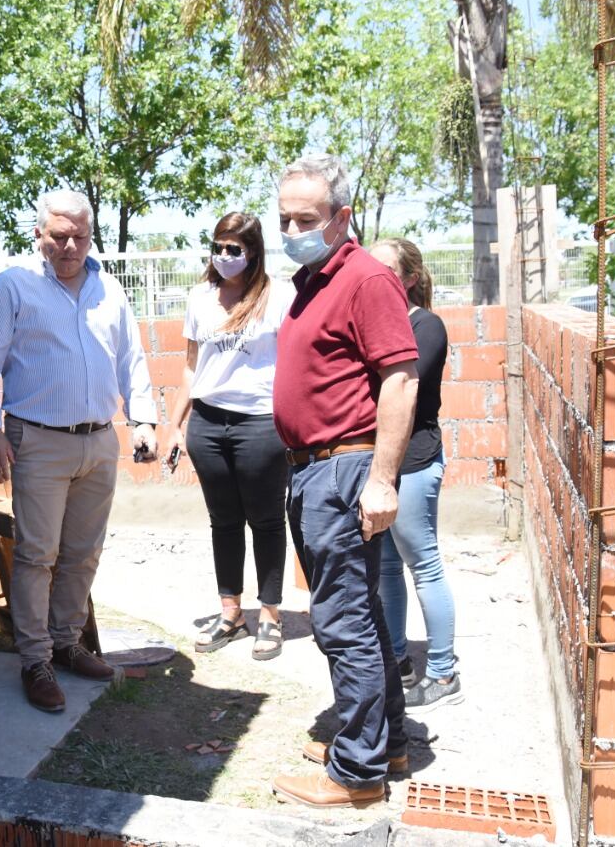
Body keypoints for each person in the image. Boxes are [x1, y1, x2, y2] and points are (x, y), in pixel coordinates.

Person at [0, 190, 159, 713]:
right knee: (37, 554)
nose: (71, 245)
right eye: (59, 235)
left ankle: (68, 642)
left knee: (83, 552)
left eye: (80, 235)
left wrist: (142, 419)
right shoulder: (13, 287)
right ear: (39, 234)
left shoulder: (109, 289)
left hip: (99, 440)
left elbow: (132, 360)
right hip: (38, 440)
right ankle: (35, 659)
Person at [268, 154, 416, 809]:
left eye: (307, 218)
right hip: (316, 470)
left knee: (343, 619)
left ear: (343, 218)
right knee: (361, 614)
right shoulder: (313, 279)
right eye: (285, 218)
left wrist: (382, 479)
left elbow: (401, 378)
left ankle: (357, 775)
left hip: (344, 470)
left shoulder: (365, 278)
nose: (292, 228)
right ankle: (386, 742)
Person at [164, 212, 291, 661]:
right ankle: (231, 612)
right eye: (218, 248)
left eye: (233, 249)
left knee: (267, 520)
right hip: (208, 424)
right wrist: (175, 424)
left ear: (252, 251)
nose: (224, 257)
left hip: (260, 423)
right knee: (223, 521)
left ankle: (271, 614)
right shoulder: (200, 298)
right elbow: (190, 365)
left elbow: (294, 362)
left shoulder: (279, 296)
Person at [368, 238, 461, 712]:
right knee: (385, 566)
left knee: (422, 564)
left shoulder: (427, 325)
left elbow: (400, 383)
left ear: (406, 278)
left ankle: (443, 671)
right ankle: (398, 656)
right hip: (380, 466)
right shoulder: (375, 324)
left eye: (384, 269)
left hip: (416, 462)